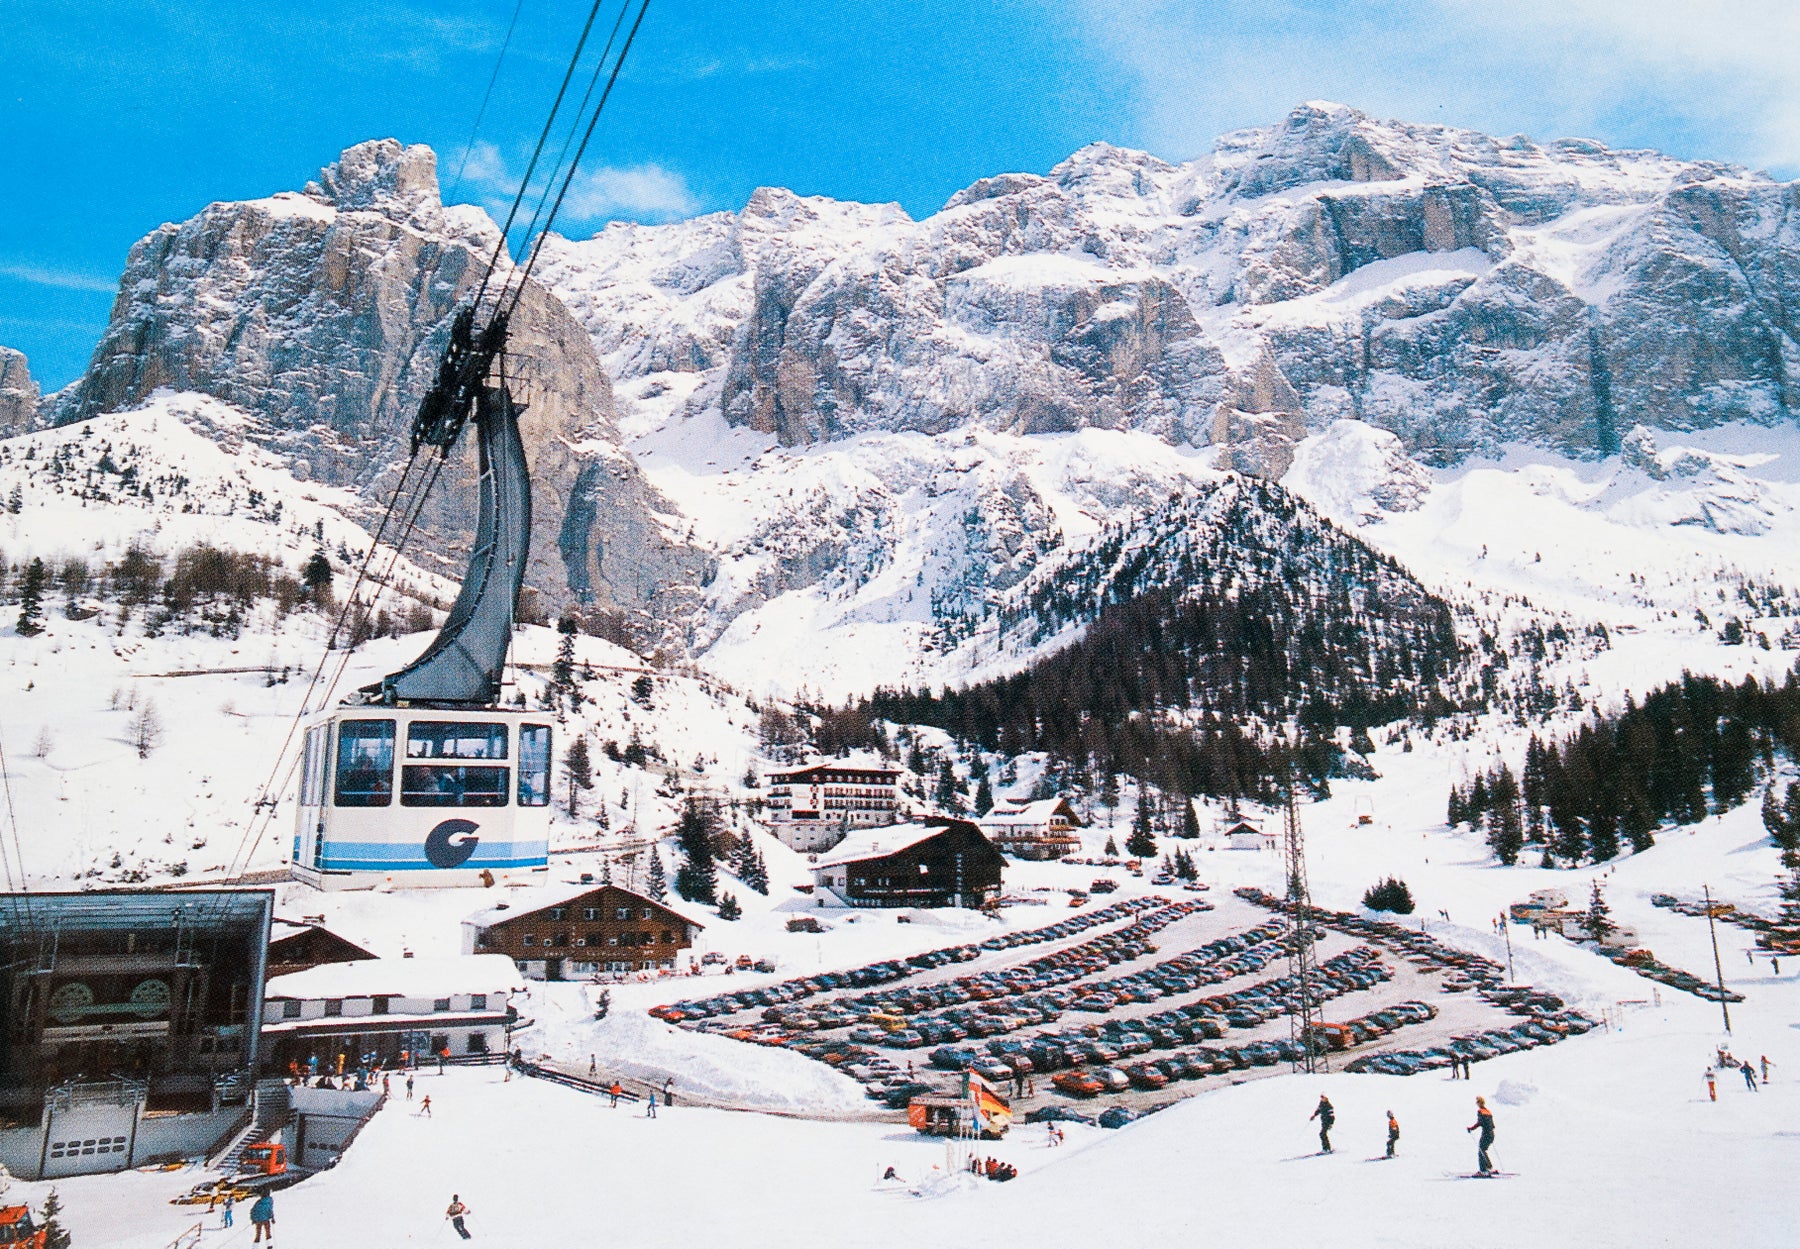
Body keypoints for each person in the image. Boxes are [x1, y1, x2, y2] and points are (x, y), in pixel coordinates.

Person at [1467, 1096, 1496, 1175]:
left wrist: (1471, 1128)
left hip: (1486, 1134)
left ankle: (1483, 1170)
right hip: (1491, 1134)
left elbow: (1480, 1123)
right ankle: (1488, 1166)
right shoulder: (1488, 1112)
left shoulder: (1480, 1111)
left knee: (1481, 1151)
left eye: (1477, 1102)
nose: (1476, 1104)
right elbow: (1493, 1125)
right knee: (1483, 1150)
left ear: (1480, 1103)